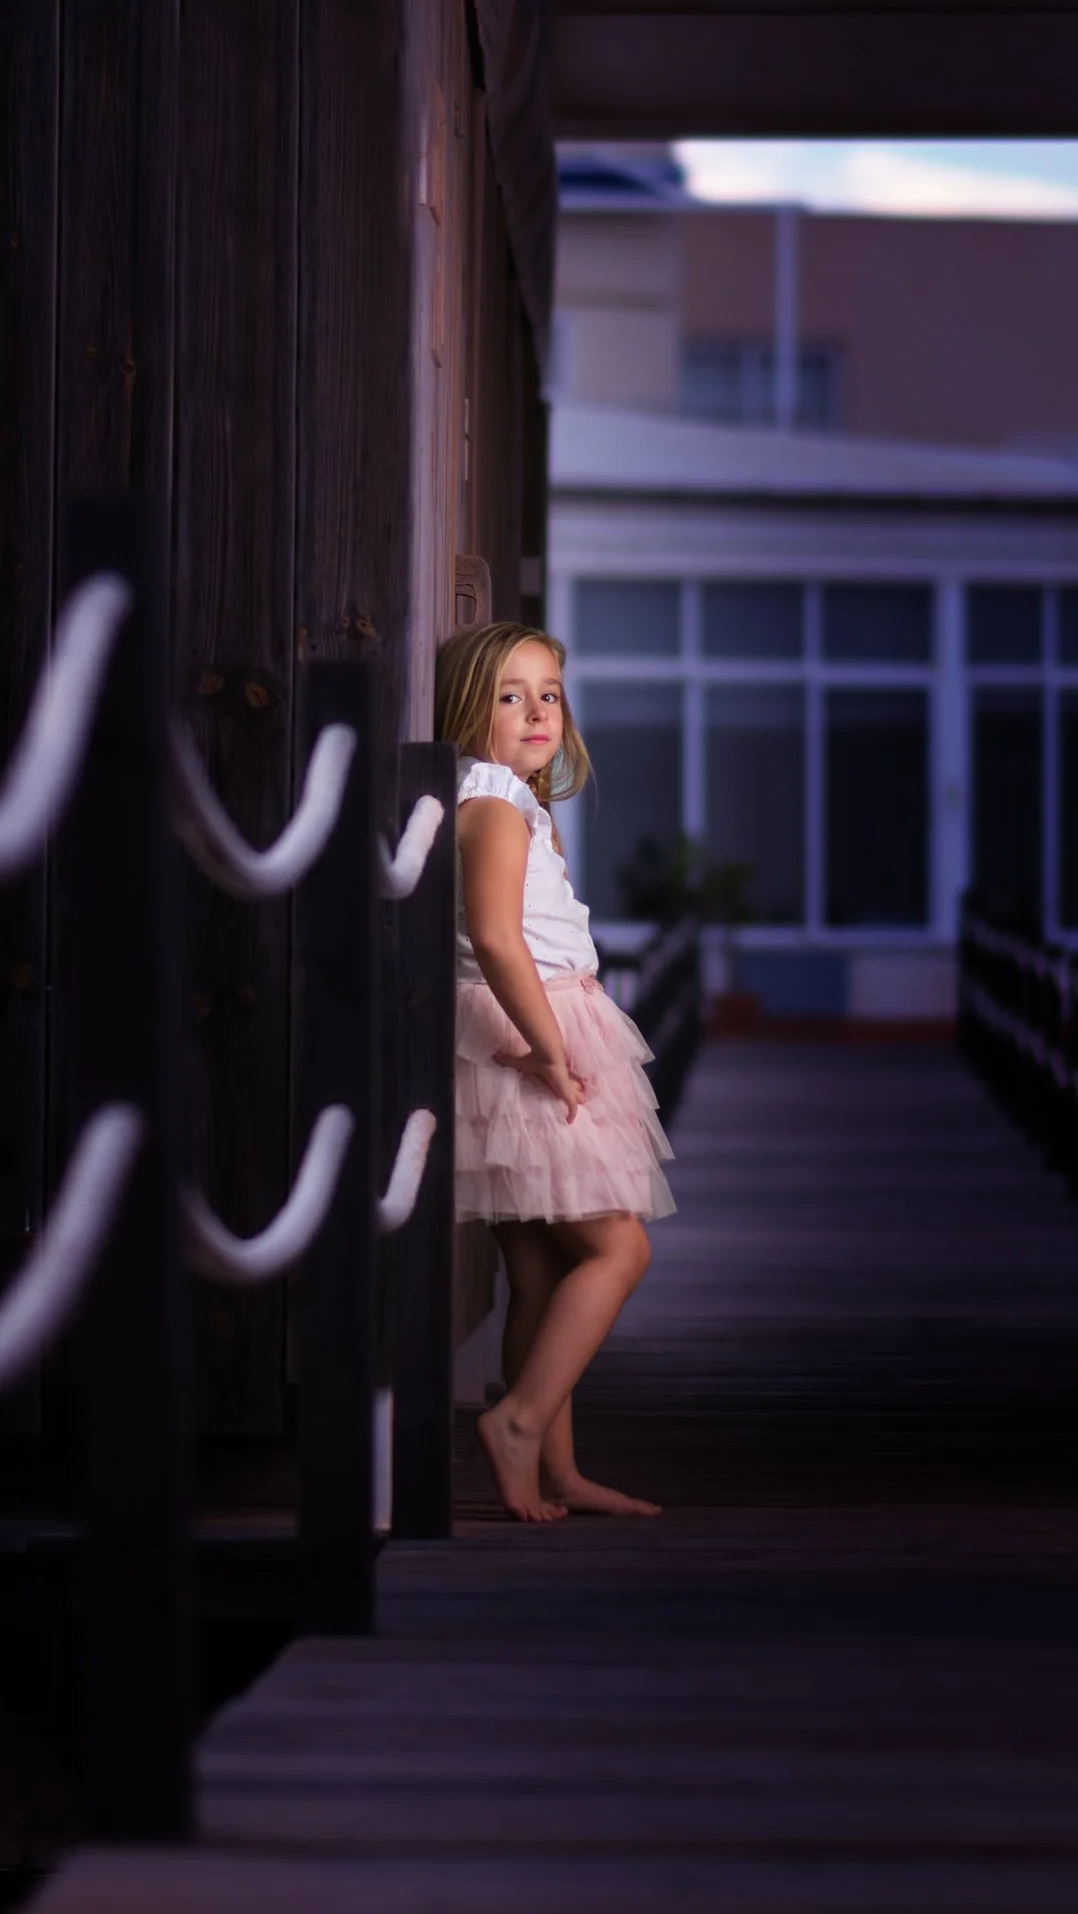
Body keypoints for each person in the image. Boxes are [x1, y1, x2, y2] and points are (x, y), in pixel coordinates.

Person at [435, 620, 677, 1523]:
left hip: (532, 1022)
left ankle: (556, 1470)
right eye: (511, 696)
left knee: (539, 1268)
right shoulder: (493, 807)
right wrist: (547, 1049)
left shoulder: (510, 802)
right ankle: (518, 1423)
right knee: (619, 1248)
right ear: (469, 711)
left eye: (550, 694)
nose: (538, 712)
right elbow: (498, 939)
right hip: (524, 1035)